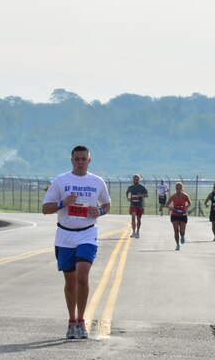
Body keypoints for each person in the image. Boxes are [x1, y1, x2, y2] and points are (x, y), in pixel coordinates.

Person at [41, 145, 112, 339]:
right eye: (77, 159)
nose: (80, 162)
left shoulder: (97, 182)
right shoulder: (61, 181)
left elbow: (107, 204)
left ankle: (82, 321)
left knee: (83, 275)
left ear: (89, 160)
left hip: (87, 234)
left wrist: (101, 211)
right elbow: (45, 209)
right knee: (70, 281)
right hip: (65, 236)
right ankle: (72, 321)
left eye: (84, 159)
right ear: (71, 160)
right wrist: (62, 203)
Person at [162, 181, 191, 250]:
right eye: (177, 188)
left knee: (182, 231)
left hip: (183, 215)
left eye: (180, 188)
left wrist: (186, 207)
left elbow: (190, 203)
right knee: (176, 231)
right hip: (174, 215)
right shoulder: (173, 196)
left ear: (182, 188)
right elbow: (166, 204)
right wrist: (170, 207)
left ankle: (183, 236)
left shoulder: (185, 195)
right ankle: (177, 244)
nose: (178, 190)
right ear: (175, 188)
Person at [125, 174, 148, 239]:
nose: (136, 180)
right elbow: (127, 193)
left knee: (138, 219)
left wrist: (141, 195)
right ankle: (133, 232)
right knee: (133, 217)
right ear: (133, 180)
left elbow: (146, 195)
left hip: (140, 205)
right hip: (133, 204)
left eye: (137, 179)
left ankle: (138, 232)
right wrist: (128, 198)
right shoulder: (130, 187)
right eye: (134, 179)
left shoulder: (142, 187)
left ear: (139, 179)